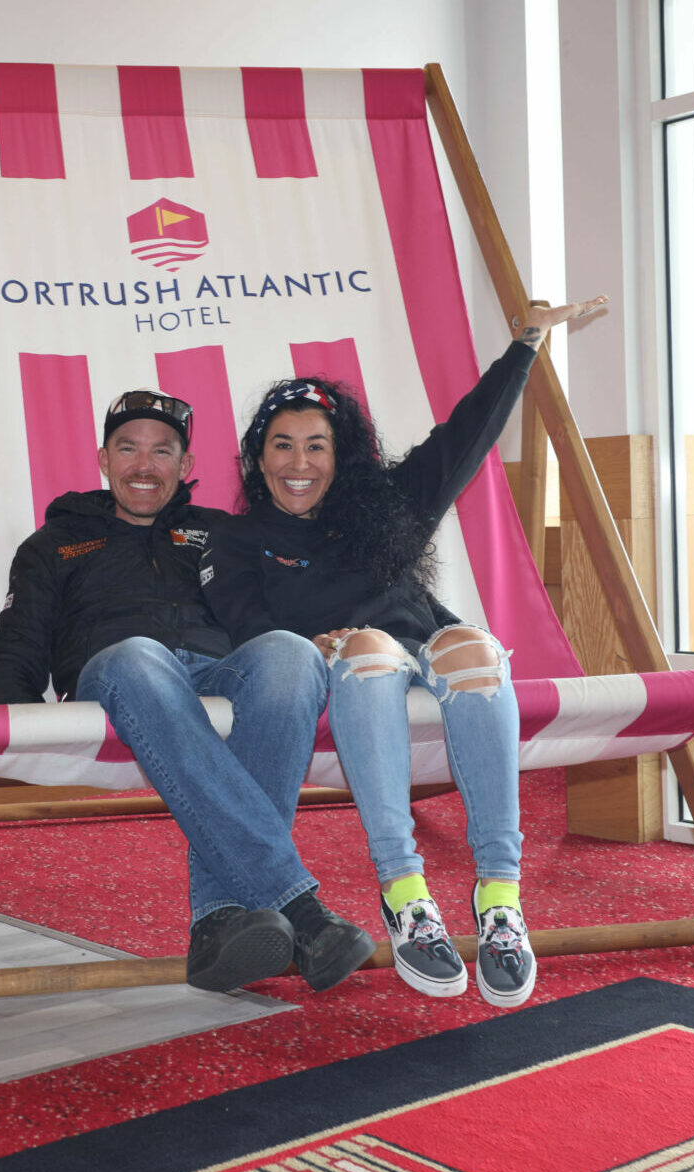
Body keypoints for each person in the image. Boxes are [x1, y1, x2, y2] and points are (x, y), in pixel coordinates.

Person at [202, 297, 607, 1007]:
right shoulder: (237, 540)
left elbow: (466, 435)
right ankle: (405, 893)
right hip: (356, 675)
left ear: (342, 453)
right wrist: (307, 644)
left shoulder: (388, 504)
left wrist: (527, 344)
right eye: (282, 445)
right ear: (257, 455)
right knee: (370, 649)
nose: (298, 463)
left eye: (316, 445)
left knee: (476, 649)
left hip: (429, 664)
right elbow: (248, 635)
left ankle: (501, 902)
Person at [0, 390, 376, 994]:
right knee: (141, 654)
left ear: (185, 466)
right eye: (128, 449)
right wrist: (16, 735)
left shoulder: (221, 533)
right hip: (118, 677)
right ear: (103, 459)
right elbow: (16, 641)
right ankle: (301, 909)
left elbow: (296, 596)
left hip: (216, 677)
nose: (144, 465)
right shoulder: (53, 545)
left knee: (290, 652)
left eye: (162, 451)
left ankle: (219, 922)